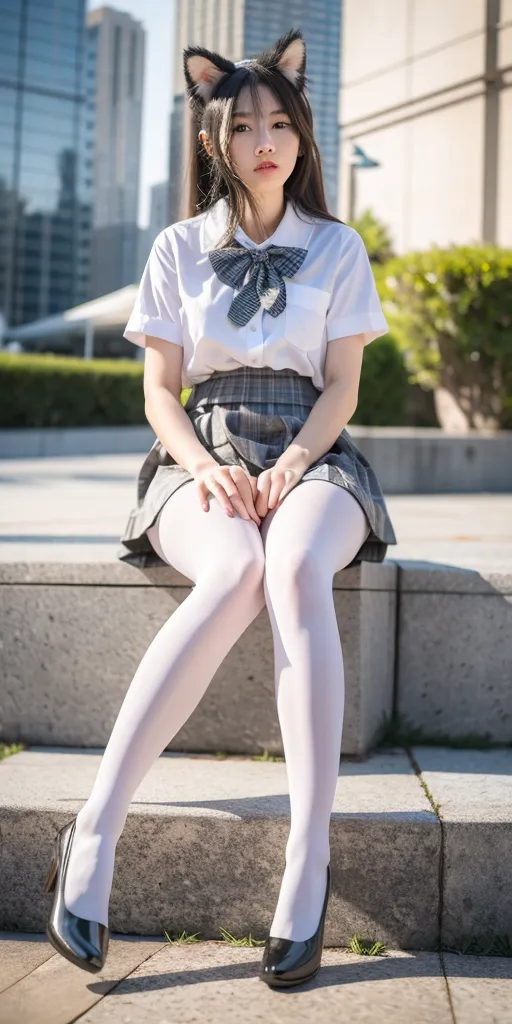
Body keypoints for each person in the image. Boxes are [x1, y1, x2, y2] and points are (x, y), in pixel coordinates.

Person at [44, 27, 397, 988]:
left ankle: (306, 857)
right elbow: (159, 393)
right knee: (238, 566)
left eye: (282, 122)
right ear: (214, 140)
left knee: (289, 565)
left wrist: (290, 470)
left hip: (314, 452)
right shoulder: (176, 249)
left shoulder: (337, 247)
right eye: (244, 125)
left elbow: (342, 391)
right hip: (197, 447)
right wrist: (204, 465)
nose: (266, 139)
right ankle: (94, 835)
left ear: (303, 136)